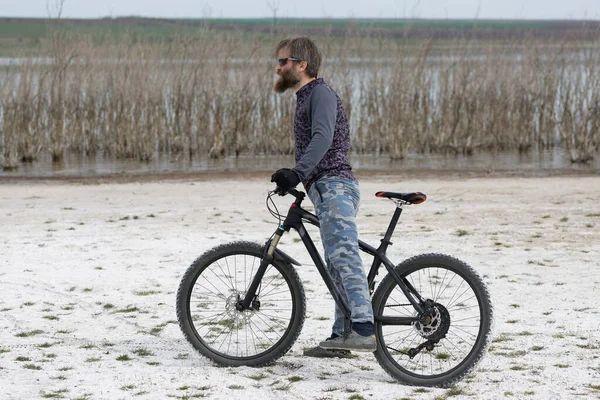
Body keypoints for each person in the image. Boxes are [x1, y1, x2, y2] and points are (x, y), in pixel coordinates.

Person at [270, 36, 375, 356]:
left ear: (302, 65)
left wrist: (298, 172)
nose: (277, 67)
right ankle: (341, 335)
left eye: (283, 62)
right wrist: (297, 175)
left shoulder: (321, 93)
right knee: (334, 262)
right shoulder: (305, 96)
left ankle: (364, 329)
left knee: (343, 254)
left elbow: (323, 137)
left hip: (336, 185)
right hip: (324, 187)